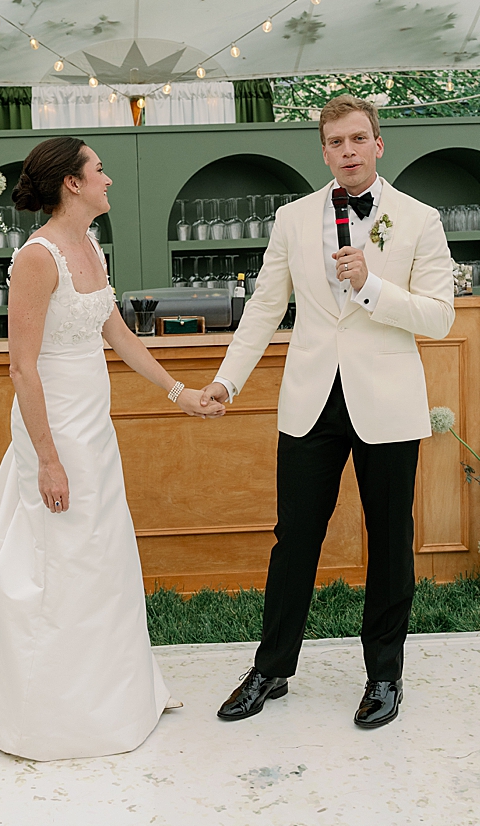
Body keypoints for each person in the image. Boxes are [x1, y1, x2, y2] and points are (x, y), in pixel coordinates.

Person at [0, 136, 223, 762]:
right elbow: (22, 367)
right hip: (52, 427)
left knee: (100, 556)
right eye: (99, 170)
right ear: (72, 184)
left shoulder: (91, 246)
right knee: (57, 558)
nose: (108, 178)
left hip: (94, 425)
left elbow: (118, 334)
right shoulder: (37, 257)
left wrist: (178, 392)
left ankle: (111, 695)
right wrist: (47, 458)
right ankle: (47, 712)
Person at [202, 95, 454, 729]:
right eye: (335, 142)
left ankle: (384, 677)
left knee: (391, 541)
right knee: (295, 541)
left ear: (378, 144)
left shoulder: (419, 220)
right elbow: (263, 308)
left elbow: (439, 315)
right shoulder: (291, 218)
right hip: (310, 401)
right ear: (324, 151)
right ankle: (271, 669)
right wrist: (227, 383)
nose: (347, 151)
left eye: (357, 139)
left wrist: (371, 285)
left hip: (388, 405)